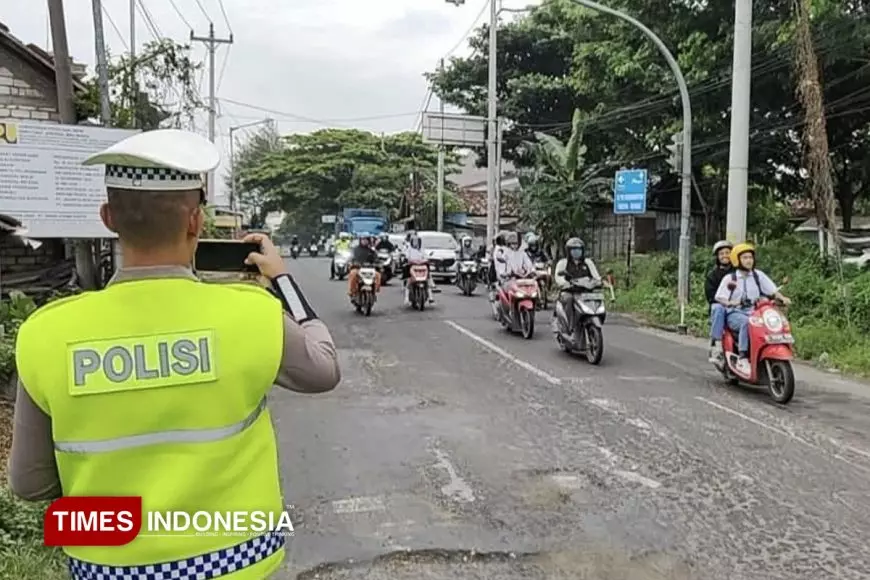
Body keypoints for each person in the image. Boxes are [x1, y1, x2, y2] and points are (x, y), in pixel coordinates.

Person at [8, 129, 340, 579]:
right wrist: (282, 280)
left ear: (108, 218)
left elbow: (30, 484)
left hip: (109, 569)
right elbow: (324, 369)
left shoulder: (45, 333)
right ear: (195, 222)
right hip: (238, 561)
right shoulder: (251, 314)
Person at [713, 242, 791, 373]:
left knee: (771, 323)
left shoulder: (757, 275)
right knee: (746, 323)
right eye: (745, 258)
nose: (748, 260)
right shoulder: (730, 278)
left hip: (756, 312)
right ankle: (743, 357)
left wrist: (782, 298)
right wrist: (731, 303)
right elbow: (720, 297)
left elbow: (772, 290)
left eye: (750, 257)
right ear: (737, 260)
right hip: (735, 313)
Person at [552, 237, 601, 333]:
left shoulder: (588, 262)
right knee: (568, 299)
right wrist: (565, 284)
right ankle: (569, 326)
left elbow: (596, 276)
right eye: (573, 249)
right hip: (569, 291)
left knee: (597, 298)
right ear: (568, 251)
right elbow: (559, 278)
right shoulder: (563, 263)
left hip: (585, 292)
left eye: (578, 249)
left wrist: (599, 282)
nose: (576, 252)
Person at [706, 240, 734, 362]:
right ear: (717, 257)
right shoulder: (712, 275)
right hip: (721, 307)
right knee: (718, 308)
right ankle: (716, 344)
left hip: (740, 306)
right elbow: (711, 297)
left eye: (727, 252)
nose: (725, 256)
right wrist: (726, 302)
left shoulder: (739, 272)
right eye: (721, 253)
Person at [401, 234, 435, 305]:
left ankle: (431, 298)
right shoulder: (409, 249)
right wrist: (408, 259)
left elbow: (426, 257)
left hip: (421, 266)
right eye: (414, 241)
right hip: (412, 266)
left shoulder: (422, 249)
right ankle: (406, 298)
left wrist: (425, 260)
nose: (415, 243)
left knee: (427, 279)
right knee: (409, 281)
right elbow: (407, 256)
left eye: (417, 241)